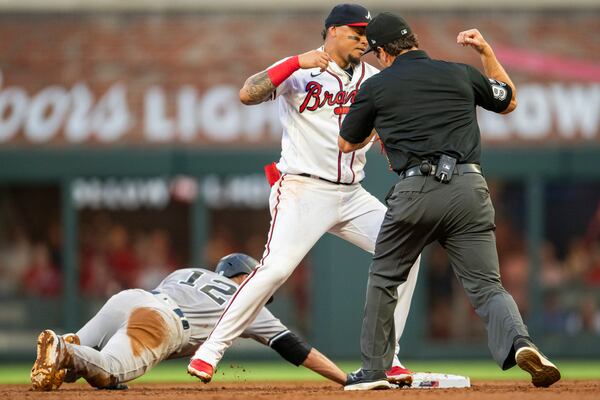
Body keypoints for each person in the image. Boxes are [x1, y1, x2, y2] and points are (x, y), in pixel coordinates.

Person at [187, 3, 421, 386]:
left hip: (352, 193)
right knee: (276, 268)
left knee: (406, 252)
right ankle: (209, 351)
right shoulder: (299, 68)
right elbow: (248, 94)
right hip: (303, 188)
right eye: (355, 33)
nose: (364, 40)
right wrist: (296, 62)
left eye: (366, 35)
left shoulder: (373, 77)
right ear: (331, 31)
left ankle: (388, 358)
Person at [338, 12, 561, 390]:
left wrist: (387, 120)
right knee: (488, 287)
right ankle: (521, 343)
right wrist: (487, 53)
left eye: (376, 53)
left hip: (415, 192)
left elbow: (347, 142)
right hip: (468, 189)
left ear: (385, 53)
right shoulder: (460, 72)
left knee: (385, 278)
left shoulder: (377, 86)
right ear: (412, 41)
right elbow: (507, 101)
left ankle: (375, 371)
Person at [30, 253, 347, 391]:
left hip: (130, 299)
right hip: (160, 322)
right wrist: (344, 378)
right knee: (109, 368)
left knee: (75, 365)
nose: (263, 292)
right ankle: (63, 348)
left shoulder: (187, 272)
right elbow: (295, 348)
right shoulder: (248, 299)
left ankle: (69, 349)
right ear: (244, 275)